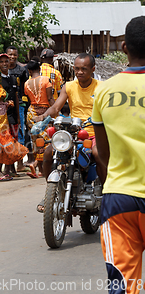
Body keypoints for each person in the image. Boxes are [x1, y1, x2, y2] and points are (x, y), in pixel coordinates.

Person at [93, 16, 145, 294]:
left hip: (119, 199)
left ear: (124, 47)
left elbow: (102, 151)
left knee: (124, 286)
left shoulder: (104, 91)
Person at [36, 53, 104, 212]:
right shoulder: (69, 86)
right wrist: (44, 115)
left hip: (94, 132)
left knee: (97, 153)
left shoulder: (101, 87)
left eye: (84, 69)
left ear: (92, 69)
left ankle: (106, 191)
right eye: (77, 69)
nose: (79, 72)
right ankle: (50, 194)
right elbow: (56, 106)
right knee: (48, 152)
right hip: (74, 131)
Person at [23, 57, 54, 178]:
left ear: (29, 71)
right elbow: (50, 98)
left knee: (36, 141)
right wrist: (57, 111)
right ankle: (43, 169)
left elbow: (28, 97)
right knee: (47, 140)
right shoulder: (46, 80)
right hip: (45, 113)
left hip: (32, 113)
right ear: (40, 69)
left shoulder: (26, 83)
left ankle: (38, 167)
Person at [7, 46, 29, 172]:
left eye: (14, 55)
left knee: (19, 132)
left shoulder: (21, 70)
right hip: (5, 105)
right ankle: (9, 166)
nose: (12, 57)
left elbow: (25, 88)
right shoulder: (2, 70)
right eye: (10, 54)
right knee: (8, 133)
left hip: (19, 104)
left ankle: (20, 163)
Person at [0, 53, 21, 177]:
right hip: (1, 116)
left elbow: (16, 98)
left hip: (12, 116)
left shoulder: (13, 78)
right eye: (1, 62)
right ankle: (3, 170)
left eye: (6, 61)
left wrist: (18, 115)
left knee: (13, 141)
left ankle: (12, 169)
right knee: (5, 142)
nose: (4, 64)